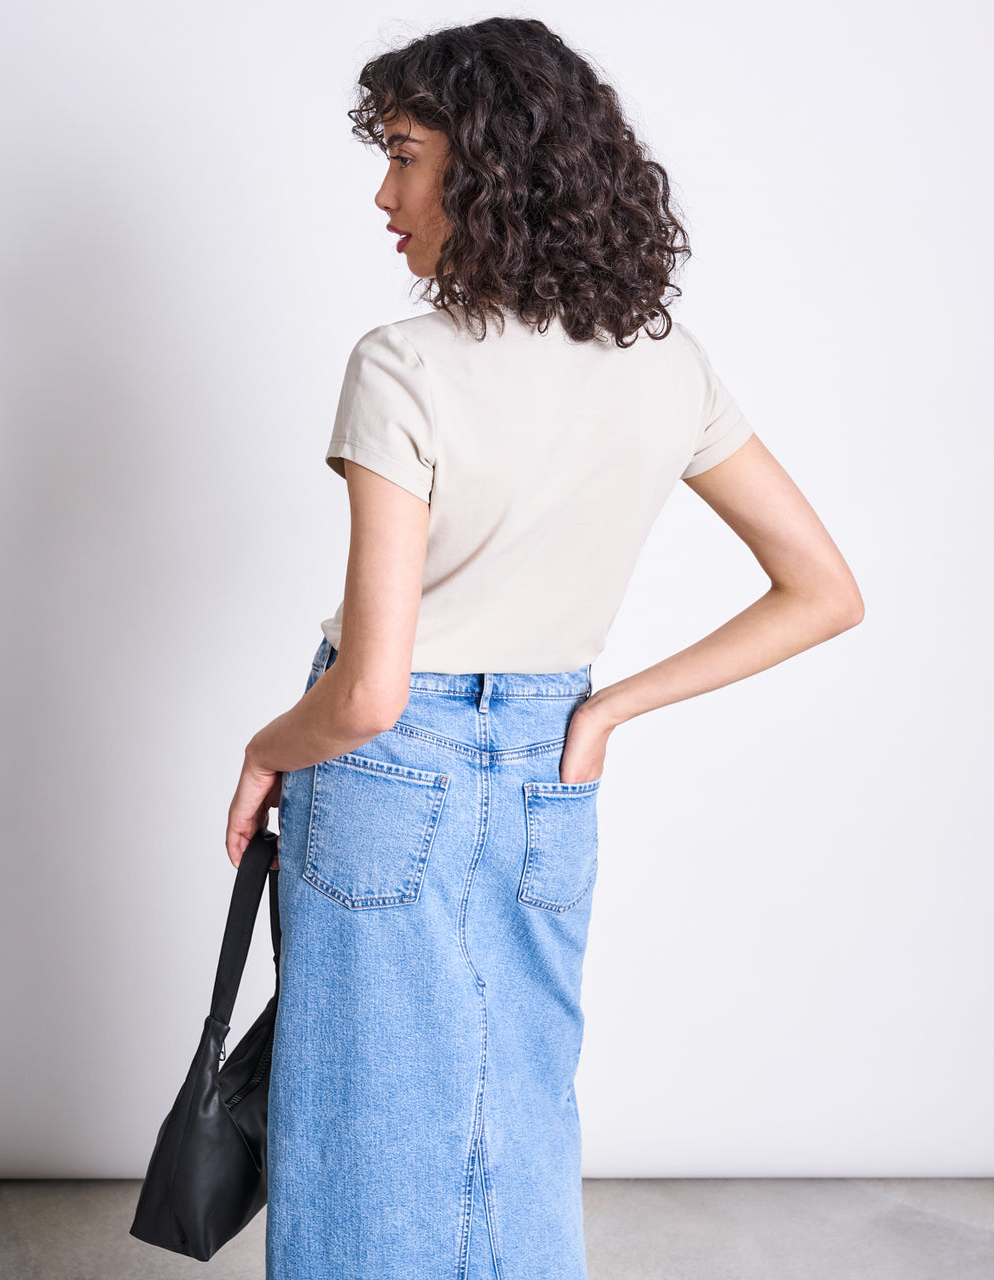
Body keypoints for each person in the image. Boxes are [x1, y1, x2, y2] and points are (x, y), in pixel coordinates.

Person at [225, 17, 864, 1280]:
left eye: (405, 156)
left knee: (362, 1124)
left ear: (488, 167)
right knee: (516, 1104)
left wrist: (262, 746)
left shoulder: (401, 367)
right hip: (544, 771)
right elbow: (823, 587)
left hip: (386, 772)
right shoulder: (660, 364)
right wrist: (606, 708)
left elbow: (367, 692)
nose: (383, 192)